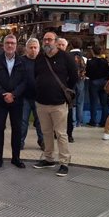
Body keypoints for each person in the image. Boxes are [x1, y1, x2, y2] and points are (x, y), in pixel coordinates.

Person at [32, 32, 78, 176]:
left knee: (61, 133)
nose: (47, 42)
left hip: (58, 103)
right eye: (45, 40)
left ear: (56, 41)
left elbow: (74, 77)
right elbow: (35, 75)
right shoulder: (40, 57)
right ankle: (49, 158)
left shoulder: (66, 57)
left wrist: (63, 90)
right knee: (46, 132)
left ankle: (64, 162)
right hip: (41, 102)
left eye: (50, 40)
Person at [0, 34, 27, 169]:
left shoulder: (22, 61)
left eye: (13, 43)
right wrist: (4, 93)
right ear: (3, 45)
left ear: (16, 45)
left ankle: (16, 157)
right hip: (0, 100)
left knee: (17, 129)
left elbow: (25, 81)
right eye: (8, 43)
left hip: (17, 101)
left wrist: (14, 94)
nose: (10, 45)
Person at [21, 38, 44, 151]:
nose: (33, 50)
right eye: (31, 47)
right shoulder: (20, 61)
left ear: (39, 49)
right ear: (26, 49)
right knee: (23, 121)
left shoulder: (43, 61)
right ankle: (19, 142)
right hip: (24, 96)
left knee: (41, 122)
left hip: (39, 97)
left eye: (35, 48)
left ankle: (43, 142)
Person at [85, 45, 109, 127]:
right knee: (104, 103)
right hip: (104, 82)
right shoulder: (105, 61)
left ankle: (93, 121)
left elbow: (87, 73)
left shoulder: (90, 61)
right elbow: (108, 72)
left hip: (94, 82)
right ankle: (104, 121)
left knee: (94, 102)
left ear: (92, 51)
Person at [69, 38, 87, 129]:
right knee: (80, 101)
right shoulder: (84, 58)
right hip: (80, 81)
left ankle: (71, 121)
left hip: (70, 81)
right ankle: (79, 122)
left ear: (71, 45)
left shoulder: (67, 56)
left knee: (70, 102)